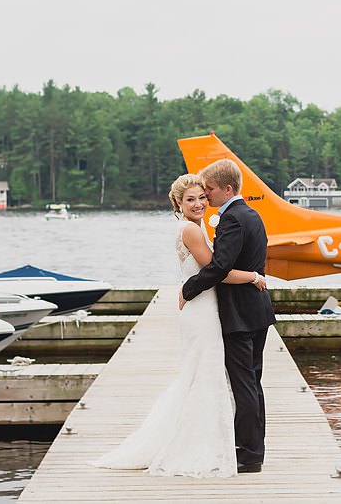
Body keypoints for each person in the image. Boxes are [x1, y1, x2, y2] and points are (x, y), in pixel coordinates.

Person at [92, 173, 265, 477]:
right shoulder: (191, 231)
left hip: (208, 306)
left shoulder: (198, 227)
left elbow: (215, 268)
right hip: (201, 308)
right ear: (178, 203)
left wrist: (191, 287)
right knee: (204, 373)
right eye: (191, 199)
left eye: (202, 196)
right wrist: (253, 276)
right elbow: (219, 270)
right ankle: (209, 444)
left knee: (207, 374)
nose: (199, 203)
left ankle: (224, 442)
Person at [181, 158, 275, 474]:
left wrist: (189, 288)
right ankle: (253, 448)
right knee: (253, 382)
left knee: (244, 384)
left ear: (227, 189)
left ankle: (248, 454)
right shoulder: (252, 214)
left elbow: (220, 267)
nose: (205, 196)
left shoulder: (233, 219)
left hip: (239, 315)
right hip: (257, 311)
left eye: (208, 190)